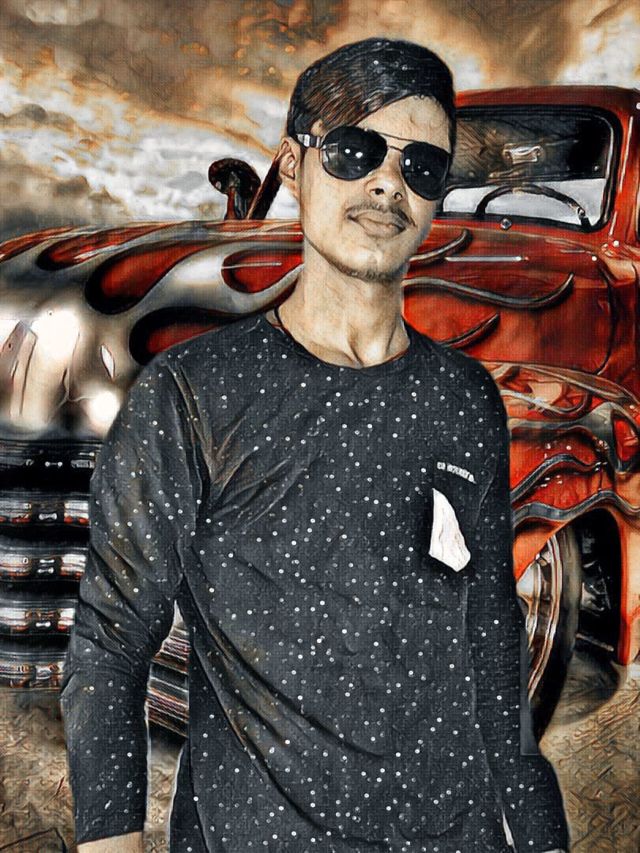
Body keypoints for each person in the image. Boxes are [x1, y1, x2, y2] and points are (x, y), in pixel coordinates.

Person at [60, 37, 570, 853]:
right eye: (356, 150)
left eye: (421, 166)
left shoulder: (464, 397)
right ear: (293, 166)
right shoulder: (193, 393)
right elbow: (109, 646)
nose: (388, 183)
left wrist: (543, 838)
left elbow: (491, 642)